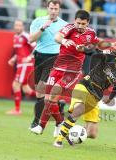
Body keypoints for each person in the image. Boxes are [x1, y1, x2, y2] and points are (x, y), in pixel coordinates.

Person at [53, 40, 116, 148]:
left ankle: (64, 123)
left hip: (96, 95)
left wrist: (110, 98)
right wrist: (84, 49)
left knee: (92, 134)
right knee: (78, 109)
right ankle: (58, 140)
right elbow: (95, 52)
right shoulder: (111, 55)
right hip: (85, 85)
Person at [30, 9, 101, 137]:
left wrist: (86, 48)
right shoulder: (69, 28)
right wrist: (64, 41)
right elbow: (57, 37)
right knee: (48, 100)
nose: (79, 26)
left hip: (72, 71)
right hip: (58, 68)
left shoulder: (91, 33)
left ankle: (41, 126)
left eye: (83, 24)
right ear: (75, 21)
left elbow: (95, 45)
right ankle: (59, 122)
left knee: (53, 95)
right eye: (78, 23)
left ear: (88, 23)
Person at [29, 0, 67, 128]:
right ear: (47, 8)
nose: (53, 11)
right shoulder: (38, 21)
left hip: (54, 57)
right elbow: (31, 39)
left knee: (41, 87)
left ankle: (36, 122)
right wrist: (42, 28)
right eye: (51, 8)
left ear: (59, 9)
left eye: (56, 9)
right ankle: (58, 106)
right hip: (39, 56)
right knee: (39, 94)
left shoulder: (64, 25)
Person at [6, 20, 36, 115]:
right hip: (20, 64)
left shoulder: (26, 36)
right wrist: (13, 59)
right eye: (16, 25)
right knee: (26, 89)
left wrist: (29, 58)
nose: (17, 27)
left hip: (25, 65)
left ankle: (17, 110)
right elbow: (19, 51)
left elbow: (36, 47)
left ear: (23, 27)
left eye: (19, 25)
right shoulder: (15, 37)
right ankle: (45, 98)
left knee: (15, 84)